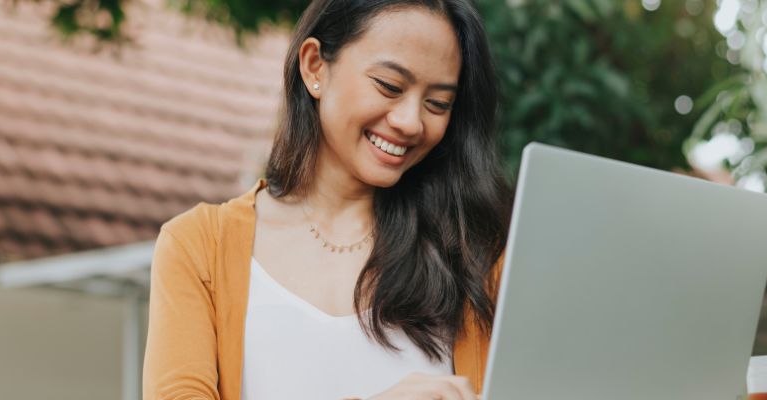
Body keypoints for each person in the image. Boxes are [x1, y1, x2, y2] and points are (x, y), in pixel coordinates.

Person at [142, 0, 512, 399]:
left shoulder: (480, 257)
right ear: (315, 66)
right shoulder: (199, 247)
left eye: (438, 104)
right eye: (389, 86)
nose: (410, 121)